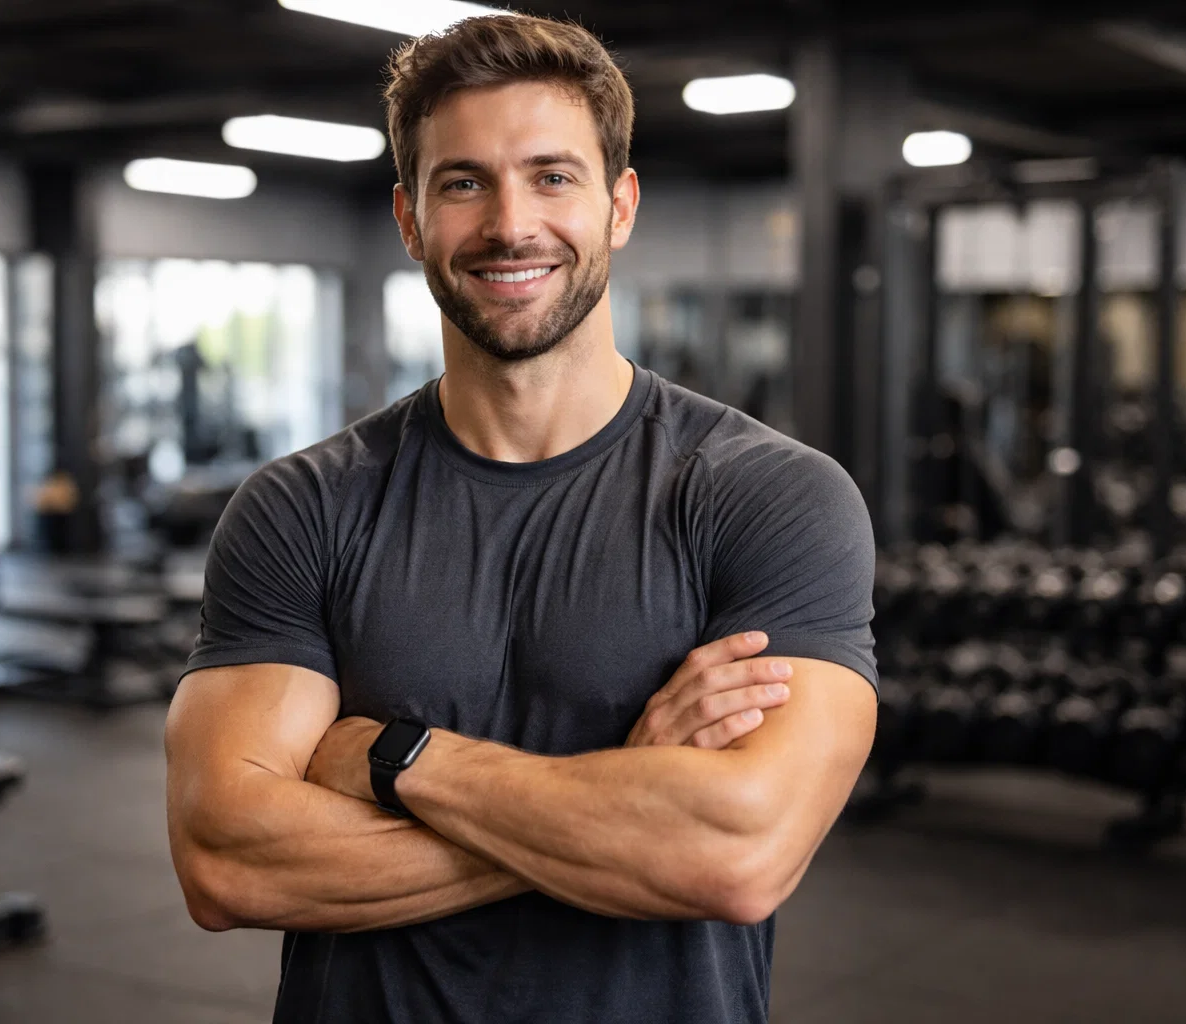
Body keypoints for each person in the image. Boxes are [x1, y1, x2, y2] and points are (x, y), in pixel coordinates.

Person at [165, 14, 878, 1024]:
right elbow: (225, 860)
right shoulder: (303, 507)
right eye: (464, 182)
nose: (510, 223)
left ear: (619, 204)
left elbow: (738, 854)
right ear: (410, 219)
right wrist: (630, 798)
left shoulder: (766, 496)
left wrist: (392, 757)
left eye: (552, 175)